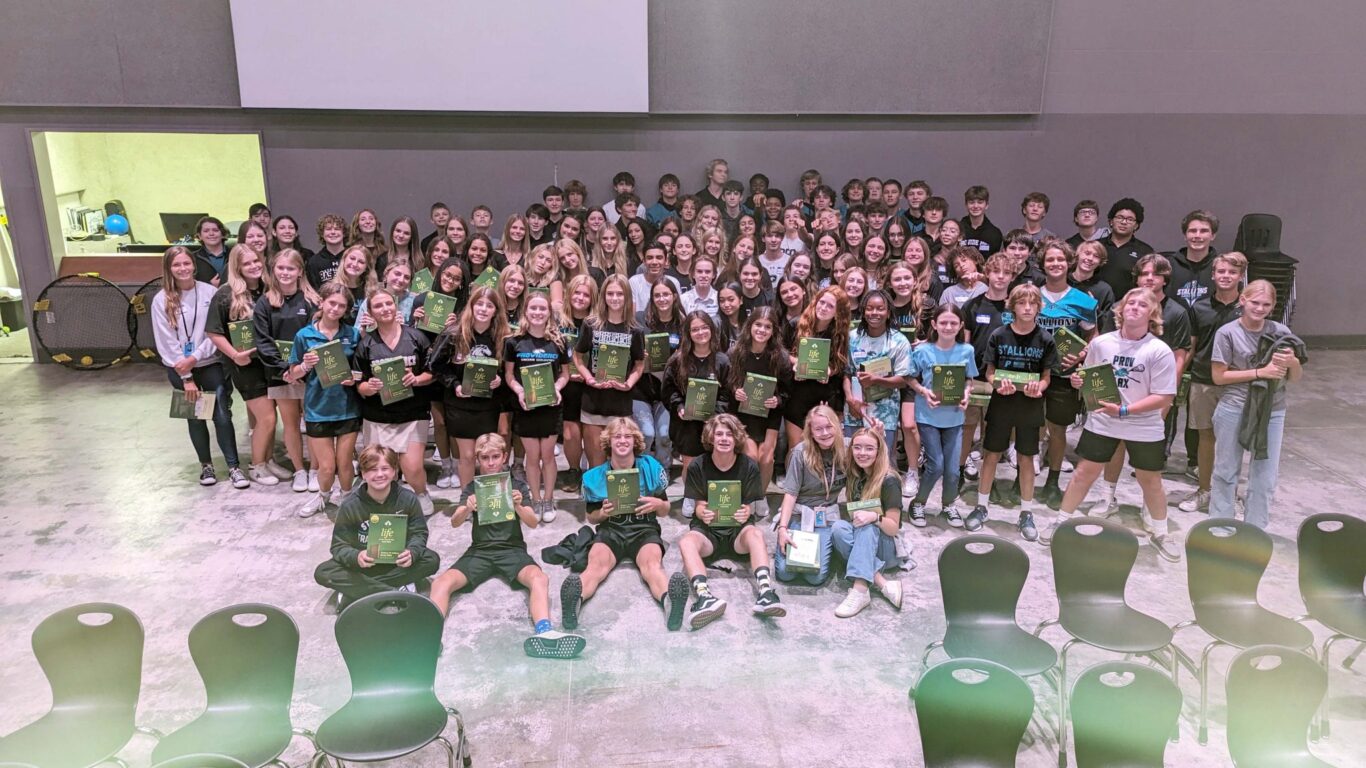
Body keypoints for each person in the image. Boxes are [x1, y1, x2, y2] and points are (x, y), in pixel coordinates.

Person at [1043, 288, 1181, 561]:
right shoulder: (1101, 343)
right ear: (1121, 308)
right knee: (1084, 473)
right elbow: (1088, 377)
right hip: (1103, 420)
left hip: (1143, 425)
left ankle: (1161, 533)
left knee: (1150, 481)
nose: (1135, 307)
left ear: (1152, 314)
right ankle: (1061, 521)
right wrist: (1078, 382)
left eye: (1143, 305)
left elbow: (1165, 396)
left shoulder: (1159, 350)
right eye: (1131, 302)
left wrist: (1126, 409)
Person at [429, 434, 585, 658]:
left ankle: (545, 632)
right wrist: (465, 509)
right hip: (480, 551)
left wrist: (519, 505)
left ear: (504, 457)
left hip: (512, 550)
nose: (491, 463)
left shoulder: (517, 486)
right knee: (442, 583)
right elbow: (454, 523)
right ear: (478, 460)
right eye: (485, 458)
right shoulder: (473, 487)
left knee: (539, 578)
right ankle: (430, 636)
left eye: (495, 457)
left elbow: (532, 522)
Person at [561, 417, 691, 631]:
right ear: (609, 442)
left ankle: (670, 603)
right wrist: (603, 512)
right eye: (617, 436)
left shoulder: (650, 467)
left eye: (627, 436)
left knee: (652, 566)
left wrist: (658, 503)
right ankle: (573, 604)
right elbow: (591, 517)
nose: (622, 440)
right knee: (596, 567)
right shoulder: (595, 476)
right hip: (611, 529)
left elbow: (666, 509)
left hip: (644, 529)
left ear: (635, 441)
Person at [1209, 280, 1304, 529]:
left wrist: (1293, 362)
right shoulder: (1227, 332)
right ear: (1242, 301)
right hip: (1234, 405)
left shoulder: (1281, 332)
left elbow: (1293, 377)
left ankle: (1255, 529)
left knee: (1264, 476)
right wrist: (1261, 372)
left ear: (1272, 306)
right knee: (1226, 470)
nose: (1259, 308)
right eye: (1254, 302)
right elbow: (1219, 377)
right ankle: (1219, 527)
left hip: (1273, 410)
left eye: (1265, 304)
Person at [967, 284, 1056, 542]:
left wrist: (1039, 387)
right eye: (1021, 303)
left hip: (1030, 407)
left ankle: (1026, 513)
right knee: (991, 455)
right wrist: (997, 383)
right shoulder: (999, 335)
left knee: (1026, 459)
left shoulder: (1046, 339)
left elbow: (1046, 377)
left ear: (1039, 307)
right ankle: (982, 506)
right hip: (1002, 404)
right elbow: (990, 372)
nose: (1027, 308)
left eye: (1032, 304)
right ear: (1012, 306)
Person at [678, 413, 785, 628]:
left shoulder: (749, 466)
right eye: (719, 434)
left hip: (738, 531)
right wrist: (702, 512)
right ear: (711, 437)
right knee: (686, 541)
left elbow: (749, 506)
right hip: (708, 531)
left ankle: (766, 592)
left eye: (729, 434)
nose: (724, 438)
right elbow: (698, 505)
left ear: (736, 438)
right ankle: (704, 596)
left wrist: (746, 512)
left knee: (755, 533)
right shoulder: (698, 465)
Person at [152, 245, 246, 488]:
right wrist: (186, 375)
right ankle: (206, 467)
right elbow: (165, 342)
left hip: (210, 362)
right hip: (180, 370)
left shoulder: (209, 292)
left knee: (222, 415)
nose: (182, 269)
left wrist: (195, 357)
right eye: (176, 264)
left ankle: (234, 467)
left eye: (186, 263)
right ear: (168, 269)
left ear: (194, 265)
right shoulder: (160, 300)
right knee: (195, 418)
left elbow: (213, 331)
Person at [314, 445, 440, 612]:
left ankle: (358, 591)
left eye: (385, 468)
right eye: (372, 469)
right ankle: (395, 592)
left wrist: (412, 552)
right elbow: (338, 546)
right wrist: (356, 556)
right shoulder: (351, 505)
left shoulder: (407, 499)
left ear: (395, 471)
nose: (380, 474)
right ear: (363, 474)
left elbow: (419, 533)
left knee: (432, 560)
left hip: (397, 563)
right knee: (324, 572)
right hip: (363, 566)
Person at [205, 244, 286, 486]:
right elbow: (213, 332)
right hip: (245, 366)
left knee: (272, 418)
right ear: (237, 267)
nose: (253, 266)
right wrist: (234, 355)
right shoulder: (225, 294)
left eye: (256, 261)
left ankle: (268, 459)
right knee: (267, 418)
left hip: (269, 363)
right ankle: (257, 466)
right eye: (246, 263)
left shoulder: (268, 290)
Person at [353, 287, 435, 516]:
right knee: (382, 469)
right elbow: (360, 385)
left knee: (412, 467)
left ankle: (421, 493)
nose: (385, 309)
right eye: (378, 306)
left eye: (388, 303)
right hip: (378, 417)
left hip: (413, 414)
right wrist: (370, 387)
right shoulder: (366, 344)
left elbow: (431, 373)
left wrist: (416, 379)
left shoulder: (416, 337)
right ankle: (388, 502)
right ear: (370, 312)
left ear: (395, 305)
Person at [1178, 252, 1247, 513]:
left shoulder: (1248, 308)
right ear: (1213, 275)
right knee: (1205, 438)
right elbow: (1192, 346)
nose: (1226, 277)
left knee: (1232, 441)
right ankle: (1205, 490)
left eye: (1232, 272)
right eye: (1221, 272)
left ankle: (1229, 494)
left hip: (1237, 383)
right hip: (1203, 381)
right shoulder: (1200, 307)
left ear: (1240, 276)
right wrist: (1177, 376)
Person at [287, 283, 362, 518]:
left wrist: (353, 379)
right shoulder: (304, 335)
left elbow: (361, 371)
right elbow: (292, 374)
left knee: (345, 464)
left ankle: (348, 497)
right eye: (332, 303)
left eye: (341, 306)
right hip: (317, 409)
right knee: (327, 466)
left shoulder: (353, 334)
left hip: (347, 408)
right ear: (322, 302)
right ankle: (323, 495)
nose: (336, 309)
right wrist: (305, 365)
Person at [1035, 241, 1098, 510]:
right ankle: (1021, 477)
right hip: (1033, 372)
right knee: (1028, 427)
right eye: (1050, 259)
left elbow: (1092, 336)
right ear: (1042, 264)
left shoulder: (1084, 301)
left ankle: (1052, 481)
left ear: (1069, 262)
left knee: (1058, 429)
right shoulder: (1031, 295)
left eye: (1061, 259)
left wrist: (1083, 355)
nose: (1055, 264)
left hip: (1063, 374)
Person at [253, 248, 321, 492]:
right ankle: (299, 471)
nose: (285, 272)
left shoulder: (312, 301)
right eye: (280, 268)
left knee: (312, 423)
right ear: (273, 270)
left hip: (310, 373)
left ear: (300, 271)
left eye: (290, 268)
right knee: (290, 425)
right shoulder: (264, 303)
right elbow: (263, 342)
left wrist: (302, 369)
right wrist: (287, 370)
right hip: (281, 375)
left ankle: (314, 469)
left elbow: (317, 338)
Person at [430, 285, 509, 489]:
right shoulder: (454, 333)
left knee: (488, 457)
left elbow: (510, 369)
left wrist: (499, 379)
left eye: (489, 305)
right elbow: (435, 365)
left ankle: (491, 501)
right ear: (471, 306)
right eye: (479, 304)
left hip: (488, 406)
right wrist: (454, 385)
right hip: (460, 405)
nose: (483, 309)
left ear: (496, 310)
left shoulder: (503, 337)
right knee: (466, 456)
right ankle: (468, 500)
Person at [907, 304, 978, 527]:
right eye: (944, 322)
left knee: (952, 468)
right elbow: (910, 377)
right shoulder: (922, 351)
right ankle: (918, 503)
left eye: (953, 323)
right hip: (928, 416)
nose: (948, 327)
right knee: (935, 465)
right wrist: (923, 391)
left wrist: (967, 393)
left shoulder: (967, 351)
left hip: (955, 418)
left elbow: (969, 378)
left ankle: (948, 504)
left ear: (960, 326)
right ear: (934, 325)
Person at [504, 292, 570, 522]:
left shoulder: (559, 341)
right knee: (532, 457)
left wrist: (557, 389)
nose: (538, 313)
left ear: (549, 313)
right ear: (526, 311)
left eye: (543, 309)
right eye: (533, 308)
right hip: (526, 407)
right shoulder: (513, 342)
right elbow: (509, 375)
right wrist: (520, 391)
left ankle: (549, 498)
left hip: (551, 406)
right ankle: (535, 499)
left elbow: (565, 374)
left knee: (548, 456)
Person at [573, 274, 647, 468]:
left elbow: (639, 364)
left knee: (620, 463)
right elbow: (577, 357)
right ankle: (595, 496)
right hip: (593, 402)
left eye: (620, 294)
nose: (615, 298)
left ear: (627, 297)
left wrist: (628, 384)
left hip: (620, 404)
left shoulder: (635, 330)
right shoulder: (591, 325)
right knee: (596, 463)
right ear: (603, 296)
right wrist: (588, 378)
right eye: (610, 293)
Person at [831, 428, 906, 617]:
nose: (862, 453)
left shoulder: (889, 480)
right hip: (863, 544)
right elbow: (836, 442)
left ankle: (860, 590)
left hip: (885, 546)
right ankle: (882, 582)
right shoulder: (855, 473)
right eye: (857, 447)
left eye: (869, 448)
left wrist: (875, 517)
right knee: (838, 528)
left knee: (868, 525)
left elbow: (893, 528)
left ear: (879, 451)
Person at [774, 404, 848, 585]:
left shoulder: (848, 449)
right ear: (811, 432)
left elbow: (873, 455)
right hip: (800, 514)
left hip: (827, 515)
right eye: (818, 429)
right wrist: (783, 529)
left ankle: (828, 551)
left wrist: (878, 434)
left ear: (837, 426)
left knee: (815, 577)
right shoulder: (800, 452)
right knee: (785, 573)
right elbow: (790, 494)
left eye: (829, 427)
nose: (824, 433)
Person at [960, 254, 1015, 485]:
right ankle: (959, 470)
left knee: (992, 429)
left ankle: (987, 480)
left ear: (1013, 276)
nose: (1001, 277)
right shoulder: (973, 305)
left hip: (1003, 377)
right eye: (996, 272)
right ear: (987, 274)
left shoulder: (1015, 306)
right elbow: (964, 345)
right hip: (976, 376)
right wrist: (966, 378)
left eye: (1006, 273)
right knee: (968, 425)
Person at [663, 311, 733, 480]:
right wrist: (679, 407)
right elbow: (669, 390)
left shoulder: (722, 361)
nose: (700, 333)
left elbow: (728, 394)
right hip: (687, 424)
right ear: (688, 333)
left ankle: (708, 502)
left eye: (704, 328)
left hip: (714, 423)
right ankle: (690, 499)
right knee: (691, 464)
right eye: (695, 330)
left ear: (712, 330)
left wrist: (714, 414)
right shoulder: (677, 360)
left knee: (715, 464)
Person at [728, 307, 790, 493]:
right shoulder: (735, 353)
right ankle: (746, 494)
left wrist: (777, 400)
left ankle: (759, 496)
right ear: (750, 326)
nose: (762, 330)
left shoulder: (780, 357)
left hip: (769, 415)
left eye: (767, 327)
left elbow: (787, 392)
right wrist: (735, 391)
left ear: (773, 331)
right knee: (751, 456)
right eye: (758, 325)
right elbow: (727, 384)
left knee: (766, 457)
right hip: (742, 414)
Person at [783, 286, 851, 452]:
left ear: (838, 312)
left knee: (822, 450)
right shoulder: (796, 324)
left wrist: (830, 370)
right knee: (797, 449)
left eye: (830, 306)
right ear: (815, 302)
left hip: (825, 395)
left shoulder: (840, 333)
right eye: (822, 302)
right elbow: (781, 352)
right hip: (797, 393)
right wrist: (796, 363)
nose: (823, 308)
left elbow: (841, 363)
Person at [844, 289, 912, 450]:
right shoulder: (852, 338)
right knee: (852, 458)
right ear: (863, 311)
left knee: (881, 461)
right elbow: (846, 372)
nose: (874, 313)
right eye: (869, 308)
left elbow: (904, 380)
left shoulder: (899, 341)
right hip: (855, 409)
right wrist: (849, 398)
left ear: (888, 312)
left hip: (885, 412)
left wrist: (876, 380)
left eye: (880, 308)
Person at [635, 278, 683, 465]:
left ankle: (663, 472)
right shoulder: (640, 320)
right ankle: (645, 472)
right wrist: (639, 354)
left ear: (674, 296)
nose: (662, 299)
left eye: (666, 294)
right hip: (641, 390)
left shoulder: (683, 324)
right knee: (646, 434)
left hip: (668, 391)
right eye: (657, 295)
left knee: (664, 435)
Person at [559, 275, 598, 493]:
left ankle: (593, 475)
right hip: (567, 384)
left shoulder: (597, 322)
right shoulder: (557, 321)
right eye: (577, 293)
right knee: (570, 432)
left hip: (592, 382)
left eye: (586, 294)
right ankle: (574, 471)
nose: (581, 298)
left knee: (592, 434)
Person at [1097, 198, 1152, 299]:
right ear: (1111, 221)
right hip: (1094, 303)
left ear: (1136, 225)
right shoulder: (1096, 246)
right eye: (1120, 217)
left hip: (1129, 307)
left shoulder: (1145, 251)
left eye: (1130, 219)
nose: (1124, 222)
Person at [1167, 210, 1220, 306]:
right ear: (1185, 236)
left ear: (1213, 236)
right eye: (1192, 231)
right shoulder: (1168, 265)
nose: (1197, 236)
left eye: (1204, 231)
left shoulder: (1222, 267)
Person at [960, 185, 1004, 257]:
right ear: (966, 205)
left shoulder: (994, 233)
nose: (975, 206)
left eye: (980, 202)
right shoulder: (957, 230)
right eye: (971, 202)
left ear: (986, 205)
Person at [306, 214, 348, 289]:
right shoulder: (314, 262)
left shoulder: (352, 257)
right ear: (322, 234)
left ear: (344, 233)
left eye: (337, 229)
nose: (333, 232)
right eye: (328, 229)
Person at [191, 216, 230, 286]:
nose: (211, 234)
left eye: (215, 230)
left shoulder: (234, 254)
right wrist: (209, 285)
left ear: (222, 234)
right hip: (205, 296)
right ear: (199, 236)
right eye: (206, 231)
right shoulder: (192, 258)